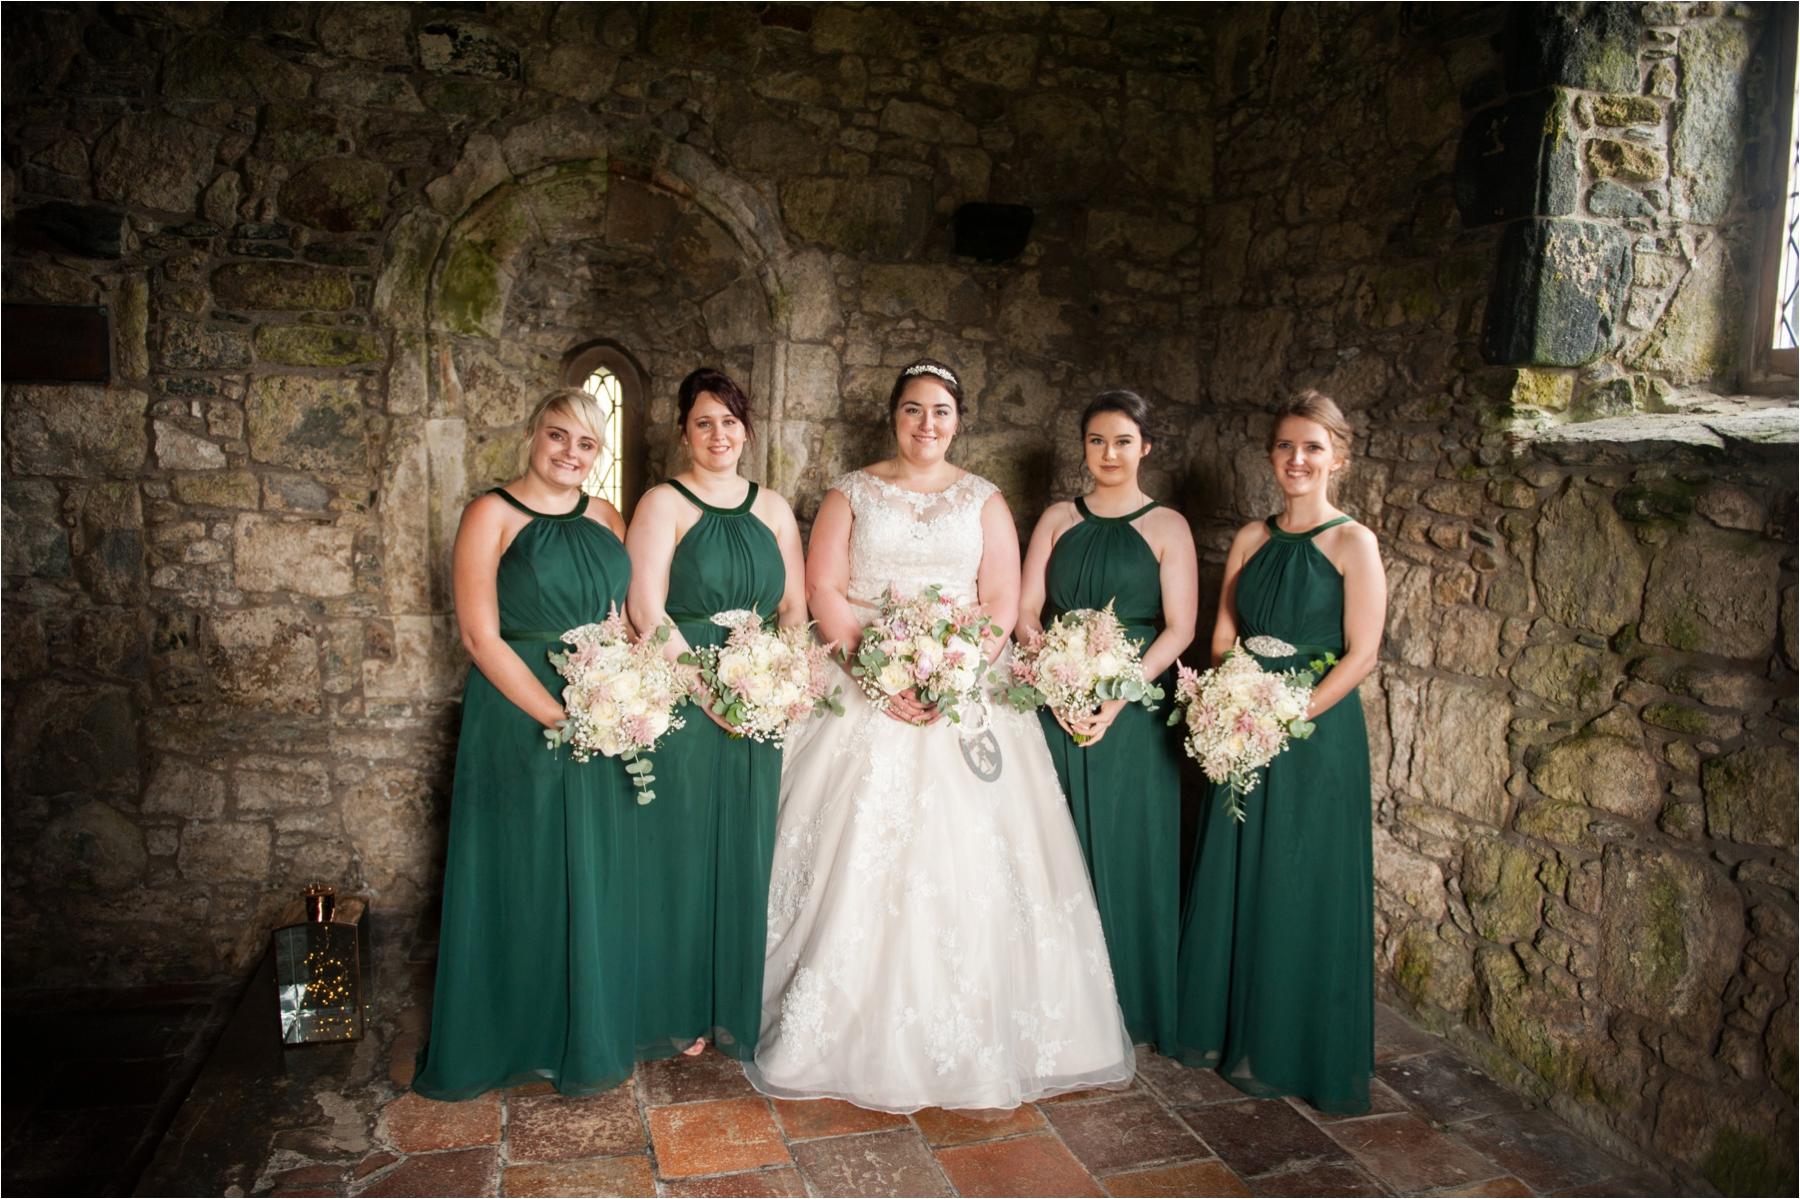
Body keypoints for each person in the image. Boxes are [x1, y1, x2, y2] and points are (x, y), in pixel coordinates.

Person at [746, 359, 1134, 1113]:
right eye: (915, 410)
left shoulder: (982, 499)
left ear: (959, 421)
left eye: (942, 413)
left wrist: (952, 672)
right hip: (864, 681)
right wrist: (879, 672)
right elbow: (825, 587)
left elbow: (997, 599)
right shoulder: (849, 492)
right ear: (894, 416)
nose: (928, 424)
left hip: (965, 689)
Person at [413, 388, 636, 1099]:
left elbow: (623, 620)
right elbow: (480, 636)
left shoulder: (607, 516)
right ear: (532, 436)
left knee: (593, 869)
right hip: (518, 712)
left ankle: (587, 1027)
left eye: (587, 444)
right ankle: (513, 1031)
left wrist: (624, 697)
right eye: (557, 436)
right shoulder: (491, 513)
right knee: (525, 871)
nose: (570, 453)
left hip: (599, 708)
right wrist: (561, 714)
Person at [1172, 388, 1387, 1114]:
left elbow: (1361, 653)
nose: (1298, 459)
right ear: (1271, 455)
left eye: (1313, 447)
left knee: (1301, 876)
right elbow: (1225, 632)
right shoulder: (1250, 537)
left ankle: (1295, 1043)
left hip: (1314, 735)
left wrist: (1286, 714)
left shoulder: (1354, 542)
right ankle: (1233, 1029)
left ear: (1338, 457)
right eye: (1287, 446)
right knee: (1241, 870)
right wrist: (1234, 706)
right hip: (1241, 720)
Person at [625, 368, 807, 1063]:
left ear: (746, 430)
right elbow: (647, 607)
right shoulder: (662, 503)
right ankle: (676, 1008)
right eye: (703, 423)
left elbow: (792, 610)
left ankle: (731, 1007)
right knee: (683, 845)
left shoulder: (774, 508)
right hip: (687, 692)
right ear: (684, 433)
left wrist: (778, 680)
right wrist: (709, 690)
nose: (718, 435)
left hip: (758, 698)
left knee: (747, 848)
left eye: (730, 422)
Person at [1018, 390, 1197, 1054]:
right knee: (1053, 845)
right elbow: (1027, 611)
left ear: (1145, 447)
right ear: (1082, 447)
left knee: (1129, 846)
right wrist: (1055, 676)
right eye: (1096, 440)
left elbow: (1180, 627)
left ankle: (1130, 1002)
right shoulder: (1058, 518)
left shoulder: (1167, 525)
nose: (1110, 453)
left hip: (1133, 707)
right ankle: (1060, 1007)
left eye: (1123, 440)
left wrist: (1117, 694)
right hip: (1056, 699)